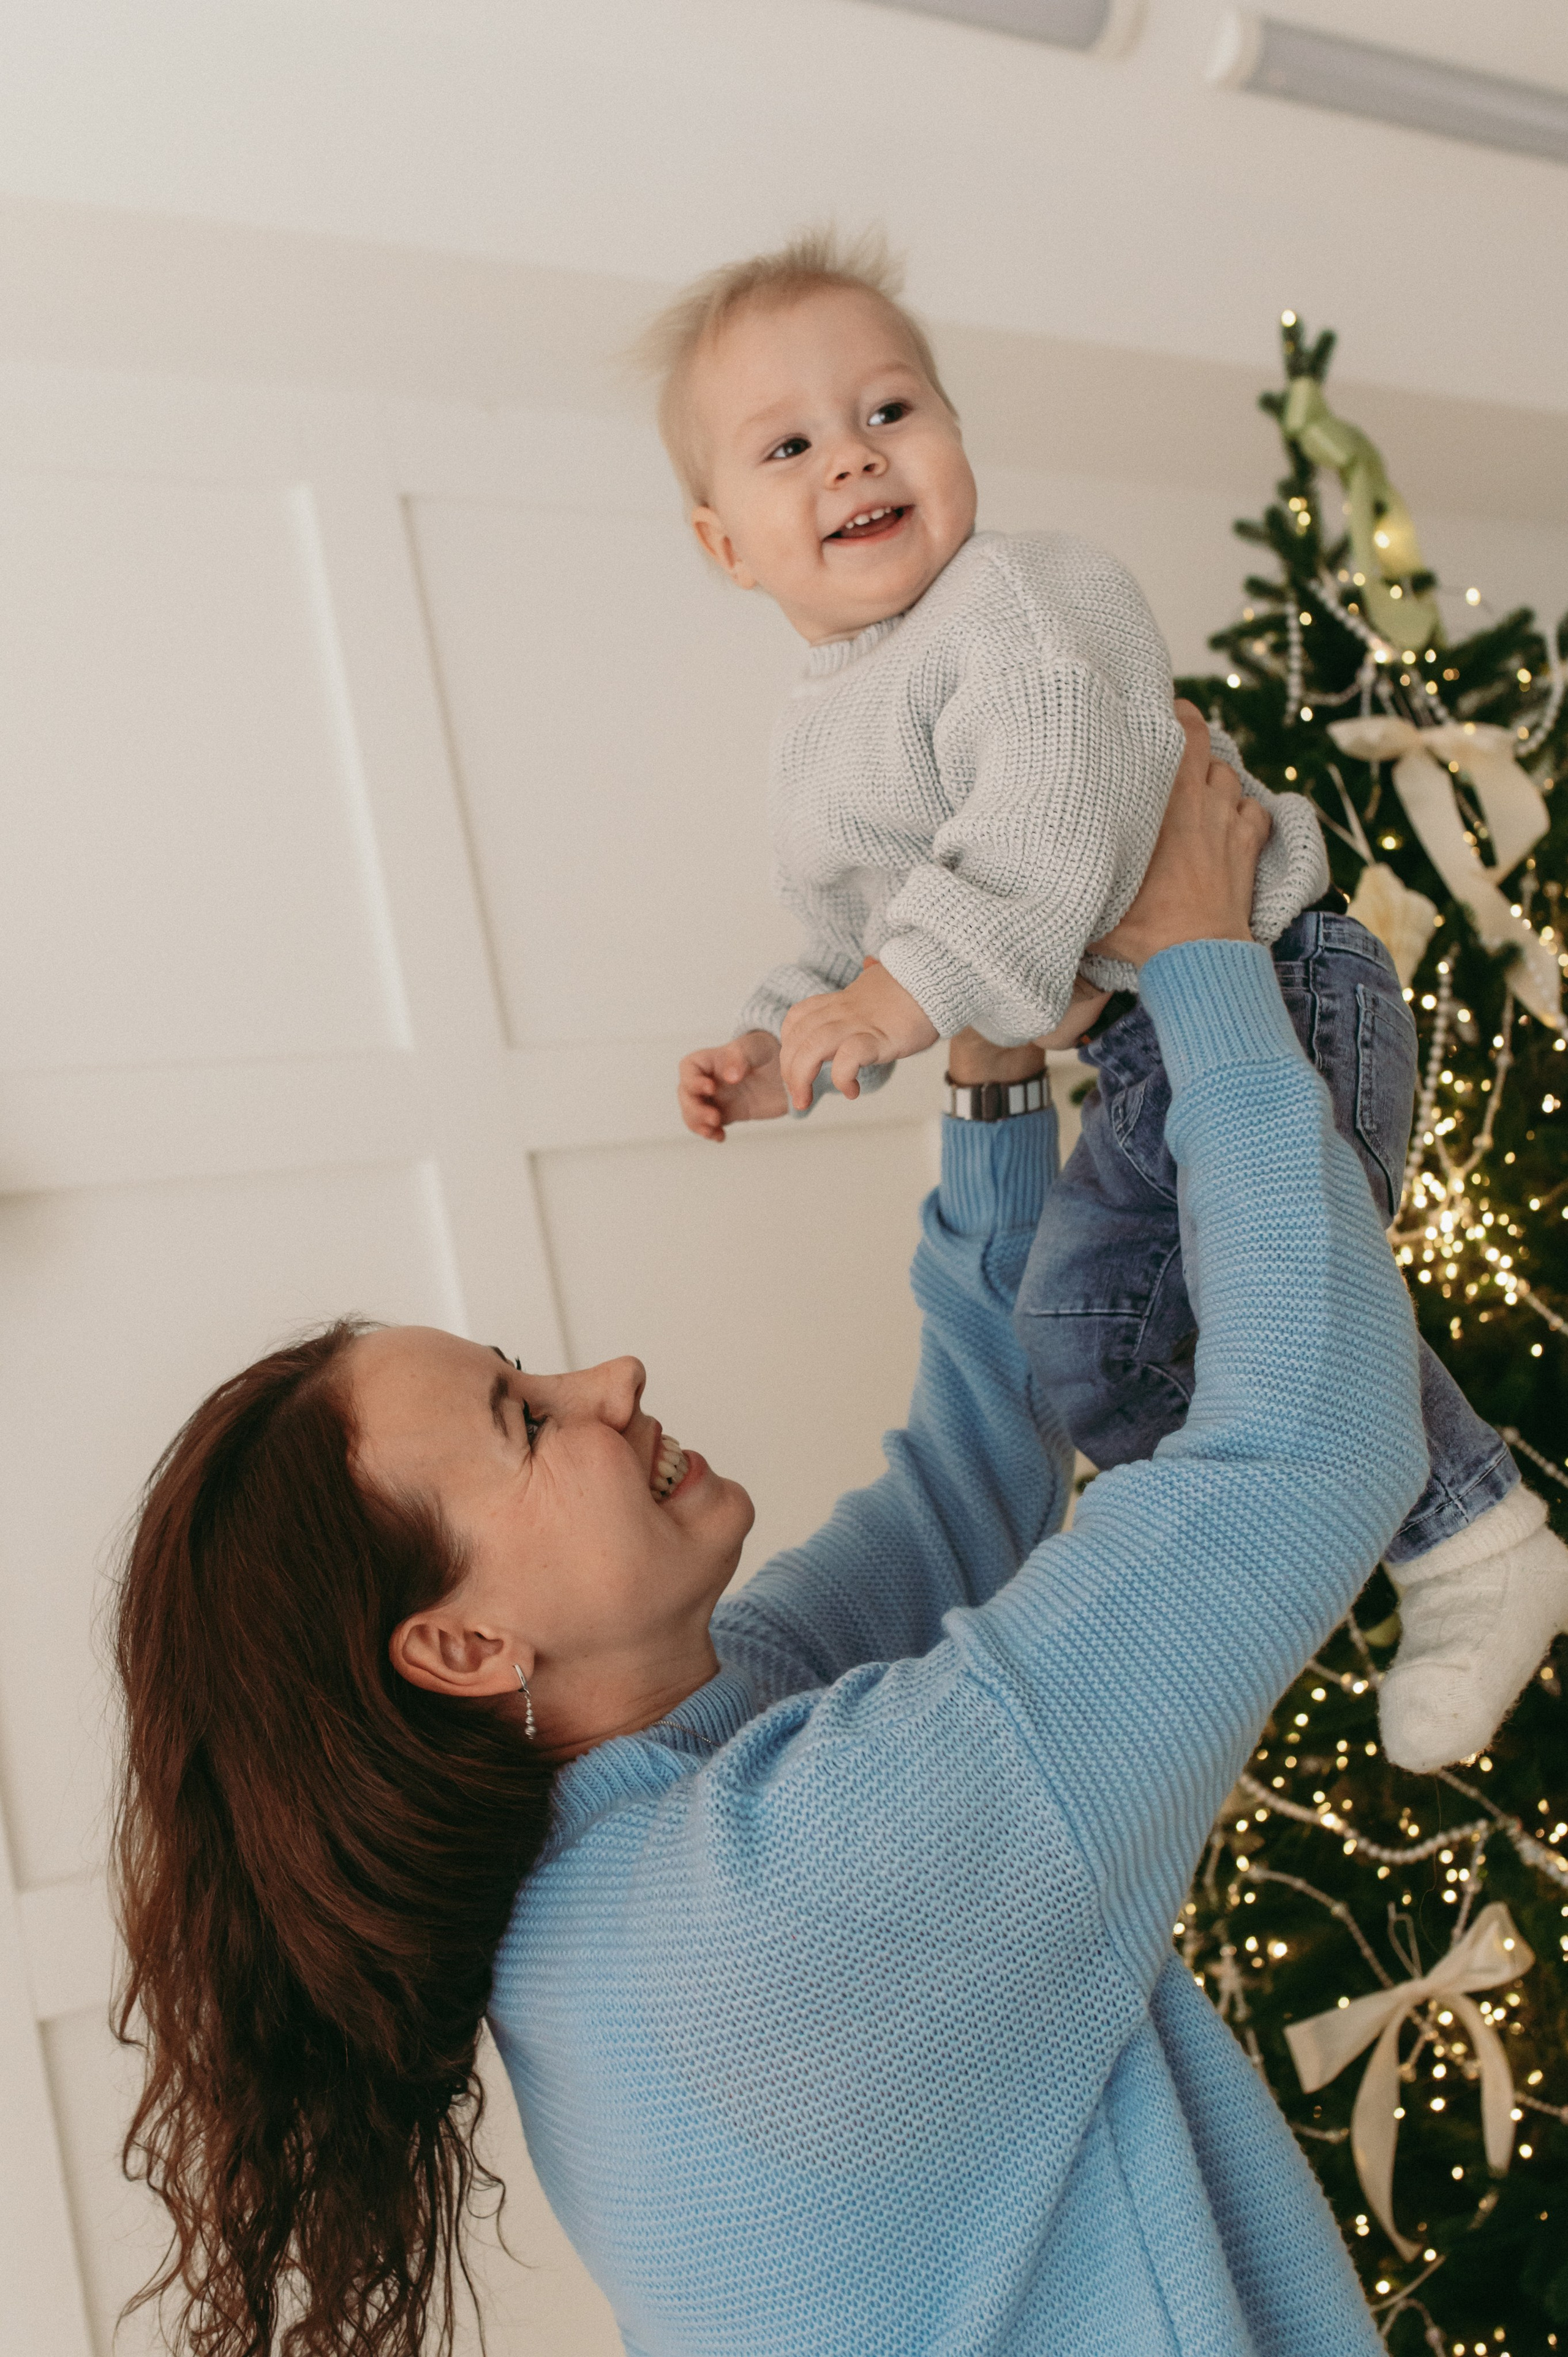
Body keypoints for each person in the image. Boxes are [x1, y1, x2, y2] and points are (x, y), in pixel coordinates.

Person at [119, 725, 1420, 2357]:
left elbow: (967, 1485)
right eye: (527, 1420)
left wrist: (996, 1066)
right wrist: (1209, 958)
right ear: (461, 1646)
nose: (613, 1381)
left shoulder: (641, 1822)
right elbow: (1309, 1451)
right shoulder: (780, 1897)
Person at [658, 230, 1567, 1773]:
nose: (851, 462)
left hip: (1271, 989)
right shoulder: (816, 740)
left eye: (890, 411)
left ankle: (1468, 1528)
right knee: (1097, 1347)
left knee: (1098, 1312)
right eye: (789, 445)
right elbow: (852, 927)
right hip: (1152, 1044)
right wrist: (779, 1039)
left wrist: (892, 999)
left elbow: (1055, 822)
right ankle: (1367, 1524)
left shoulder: (1018, 602)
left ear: (954, 436)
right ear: (725, 545)